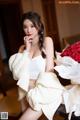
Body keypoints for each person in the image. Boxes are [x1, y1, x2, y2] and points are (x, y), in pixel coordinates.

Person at [9, 11, 65, 120]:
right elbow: (17, 74)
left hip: (43, 91)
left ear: (39, 26)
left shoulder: (47, 41)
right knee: (9, 116)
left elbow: (50, 71)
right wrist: (27, 50)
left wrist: (31, 82)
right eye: (25, 27)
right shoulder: (22, 48)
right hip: (25, 90)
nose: (28, 30)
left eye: (32, 26)